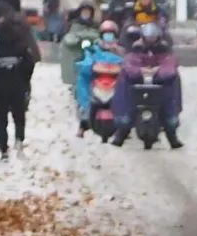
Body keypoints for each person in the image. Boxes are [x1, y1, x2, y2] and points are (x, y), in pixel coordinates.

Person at [111, 20, 181, 148]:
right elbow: (129, 66)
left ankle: (172, 135)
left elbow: (170, 67)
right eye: (148, 37)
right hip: (136, 86)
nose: (150, 40)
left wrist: (157, 71)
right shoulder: (135, 50)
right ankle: (121, 132)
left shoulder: (165, 51)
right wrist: (141, 71)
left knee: (170, 114)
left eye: (153, 37)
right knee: (125, 107)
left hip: (161, 87)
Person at [0, 6, 34, 161]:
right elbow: (29, 66)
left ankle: (4, 150)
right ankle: (19, 139)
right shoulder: (22, 49)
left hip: (0, 90)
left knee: (1, 121)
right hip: (18, 88)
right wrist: (24, 80)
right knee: (19, 117)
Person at [75, 18, 121, 137]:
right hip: (97, 81)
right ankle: (84, 118)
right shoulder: (93, 50)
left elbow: (127, 63)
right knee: (82, 81)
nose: (108, 38)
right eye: (106, 35)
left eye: (111, 35)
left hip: (114, 82)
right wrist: (88, 65)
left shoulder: (121, 51)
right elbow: (85, 64)